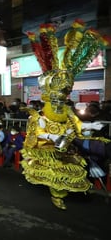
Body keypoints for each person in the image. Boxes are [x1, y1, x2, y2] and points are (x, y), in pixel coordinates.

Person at [21, 20, 110, 210]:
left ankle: (68, 189)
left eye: (62, 98)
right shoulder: (41, 113)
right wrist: (51, 136)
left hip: (66, 143)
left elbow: (74, 121)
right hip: (49, 145)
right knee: (54, 171)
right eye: (56, 99)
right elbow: (38, 130)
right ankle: (57, 194)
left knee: (74, 164)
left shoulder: (67, 109)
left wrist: (88, 126)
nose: (59, 102)